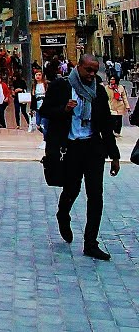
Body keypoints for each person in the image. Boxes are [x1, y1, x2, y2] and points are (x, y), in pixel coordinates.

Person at [39, 55, 120, 260]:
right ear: (79, 67)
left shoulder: (98, 91)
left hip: (93, 147)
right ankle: (63, 214)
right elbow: (44, 111)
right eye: (88, 71)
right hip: (70, 147)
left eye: (95, 71)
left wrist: (114, 155)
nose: (92, 75)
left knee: (95, 195)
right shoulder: (62, 86)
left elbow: (106, 126)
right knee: (72, 188)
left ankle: (91, 243)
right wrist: (64, 110)